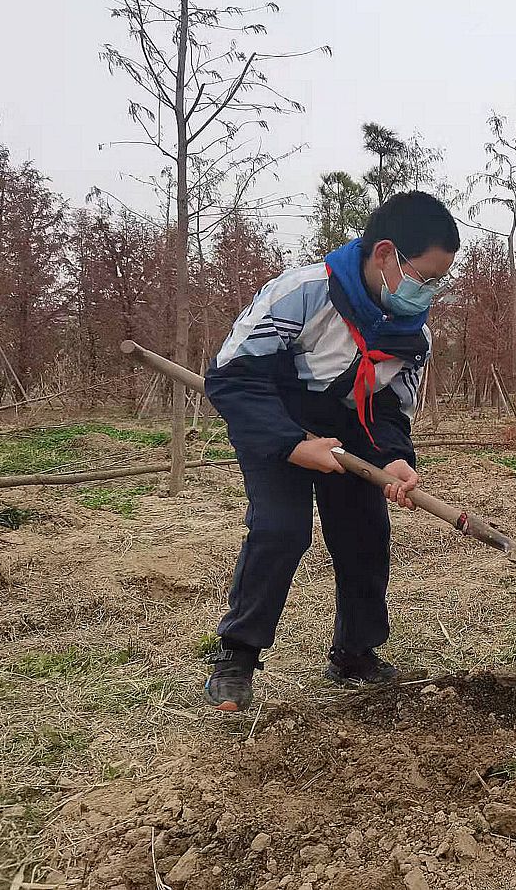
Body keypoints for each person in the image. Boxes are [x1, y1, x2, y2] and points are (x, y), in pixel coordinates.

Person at [202, 191, 460, 712]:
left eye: (439, 282)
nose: (429, 292)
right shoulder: (300, 294)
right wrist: (292, 444)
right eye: (425, 278)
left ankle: (355, 654)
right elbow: (232, 379)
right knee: (281, 530)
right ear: (385, 255)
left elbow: (390, 408)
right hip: (275, 421)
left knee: (365, 535)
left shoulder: (414, 336)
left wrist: (393, 457)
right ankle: (236, 657)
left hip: (351, 432)